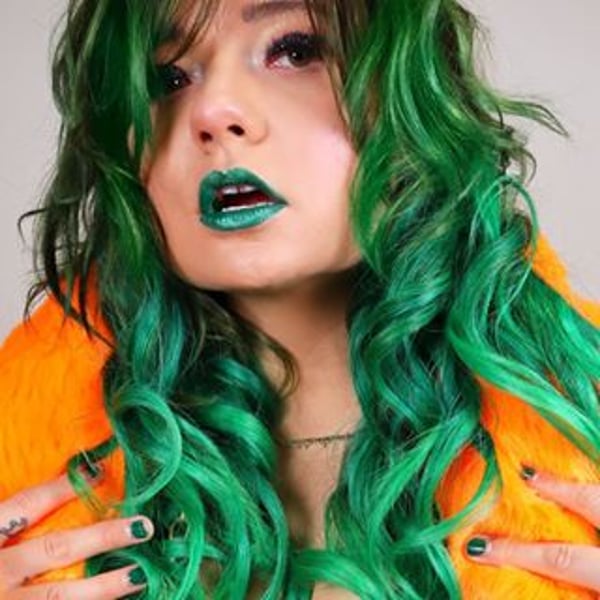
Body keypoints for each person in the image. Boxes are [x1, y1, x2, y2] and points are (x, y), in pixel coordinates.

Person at [0, 0, 598, 598]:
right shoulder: (32, 450)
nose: (212, 112)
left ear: (416, 96)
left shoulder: (577, 422)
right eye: (167, 79)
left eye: (295, 51)